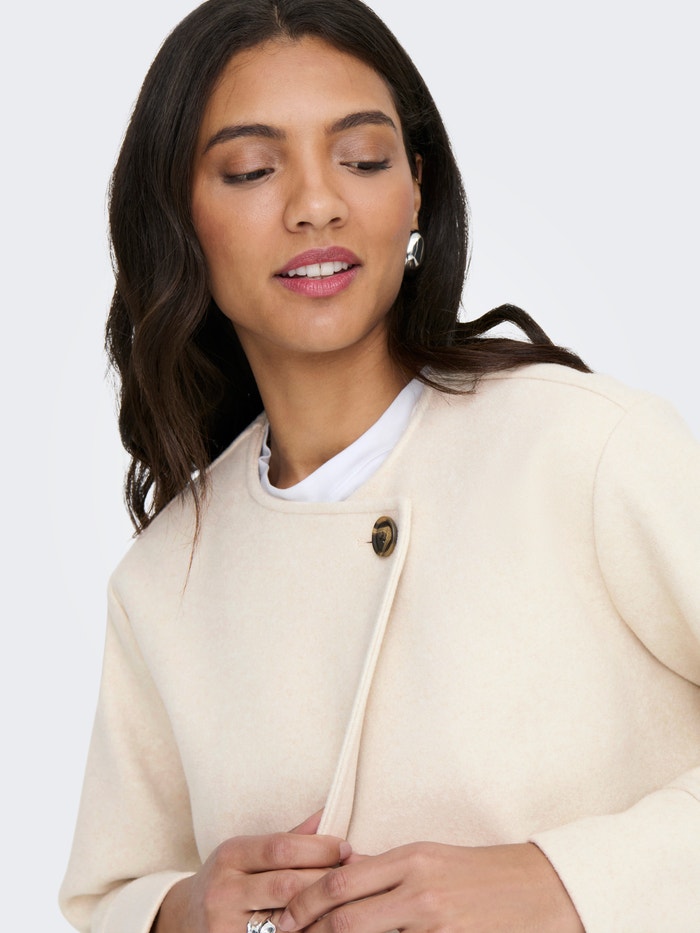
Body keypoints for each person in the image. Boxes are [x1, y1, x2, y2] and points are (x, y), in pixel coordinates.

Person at [60, 0, 700, 931]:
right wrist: (182, 910)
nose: (317, 203)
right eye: (251, 169)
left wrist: (569, 882)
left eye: (362, 159)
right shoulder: (165, 578)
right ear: (178, 220)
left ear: (416, 192)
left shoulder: (586, 449)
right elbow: (107, 892)